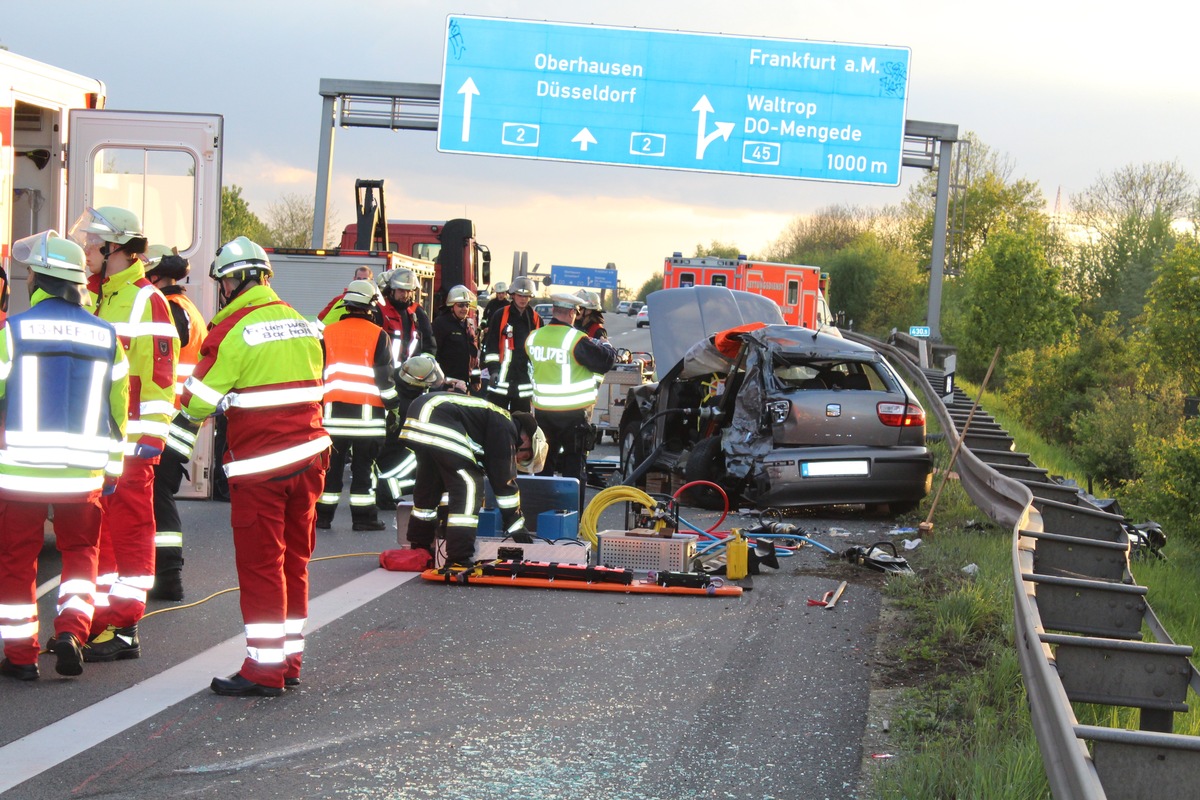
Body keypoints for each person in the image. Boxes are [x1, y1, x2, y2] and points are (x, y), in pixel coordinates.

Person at [173, 236, 330, 697]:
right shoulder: (302, 324)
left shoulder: (234, 330)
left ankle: (264, 669)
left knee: (263, 567)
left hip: (262, 467)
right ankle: (290, 660)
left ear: (234, 280)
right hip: (309, 462)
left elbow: (197, 401)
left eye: (223, 282)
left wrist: (174, 445)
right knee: (294, 563)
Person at [0, 232, 129, 681]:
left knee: (17, 559)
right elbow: (118, 413)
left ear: (40, 278)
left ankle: (20, 656)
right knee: (80, 555)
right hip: (83, 473)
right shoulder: (106, 336)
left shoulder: (13, 330)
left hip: (21, 472)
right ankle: (73, 632)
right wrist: (112, 469)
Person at [69, 207, 179, 663]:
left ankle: (125, 627)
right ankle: (98, 624)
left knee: (129, 536)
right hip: (100, 444)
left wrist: (147, 441)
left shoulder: (145, 299)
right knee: (100, 538)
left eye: (93, 243)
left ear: (115, 248)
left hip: (131, 445)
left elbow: (159, 378)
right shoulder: (97, 296)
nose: (87, 250)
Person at [397, 356, 544, 567]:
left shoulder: (492, 420)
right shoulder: (505, 425)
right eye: (524, 456)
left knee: (430, 486)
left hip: (420, 412)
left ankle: (420, 547)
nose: (518, 459)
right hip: (437, 416)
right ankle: (459, 558)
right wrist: (515, 523)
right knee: (469, 484)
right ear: (526, 439)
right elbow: (504, 480)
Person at [143, 245, 208, 601]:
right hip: (178, 418)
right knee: (158, 492)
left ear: (154, 277)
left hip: (168, 417)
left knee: (158, 494)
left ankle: (168, 577)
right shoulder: (185, 307)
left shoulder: (168, 309)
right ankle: (160, 573)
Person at [316, 279, 399, 531]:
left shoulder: (327, 334)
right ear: (371, 306)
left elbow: (317, 373)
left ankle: (322, 518)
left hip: (332, 419)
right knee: (363, 471)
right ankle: (364, 519)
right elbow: (385, 378)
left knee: (330, 471)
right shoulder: (379, 336)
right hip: (367, 420)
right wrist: (393, 406)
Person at [525, 292, 617, 511]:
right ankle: (570, 518)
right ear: (570, 313)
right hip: (573, 414)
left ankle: (541, 514)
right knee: (574, 468)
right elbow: (605, 361)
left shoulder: (533, 337)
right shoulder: (575, 339)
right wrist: (607, 346)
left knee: (543, 465)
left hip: (543, 413)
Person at [483, 276, 540, 412]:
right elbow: (491, 346)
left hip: (523, 384)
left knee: (521, 425)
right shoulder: (500, 315)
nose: (523, 299)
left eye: (526, 296)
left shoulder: (536, 319)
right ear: (513, 295)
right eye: (520, 295)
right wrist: (494, 370)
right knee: (496, 421)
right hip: (501, 381)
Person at [431, 285, 480, 387]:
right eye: (461, 305)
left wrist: (475, 379)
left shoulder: (469, 324)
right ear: (451, 306)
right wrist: (441, 382)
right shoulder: (440, 324)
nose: (465, 309)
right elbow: (434, 355)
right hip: (447, 384)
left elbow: (474, 355)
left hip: (465, 384)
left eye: (467, 305)